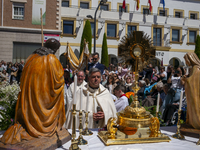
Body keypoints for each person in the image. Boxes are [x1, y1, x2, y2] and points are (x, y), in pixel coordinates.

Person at [1, 38, 66, 144]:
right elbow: (58, 81)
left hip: (29, 97)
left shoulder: (31, 57)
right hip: (43, 97)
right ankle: (42, 128)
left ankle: (31, 125)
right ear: (54, 49)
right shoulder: (52, 59)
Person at [181, 52, 200, 129]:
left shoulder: (197, 68)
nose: (186, 62)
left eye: (186, 60)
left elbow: (192, 81)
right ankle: (190, 123)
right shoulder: (193, 68)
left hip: (195, 94)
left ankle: (196, 123)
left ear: (190, 59)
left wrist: (185, 79)